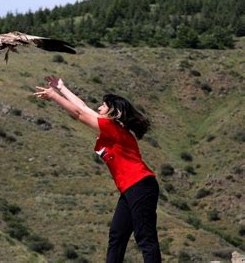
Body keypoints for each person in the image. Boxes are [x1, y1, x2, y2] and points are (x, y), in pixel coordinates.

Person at [34, 76, 161, 263]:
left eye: (103, 105)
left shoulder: (113, 128)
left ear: (113, 112)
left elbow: (78, 113)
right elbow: (83, 108)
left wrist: (54, 96)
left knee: (145, 236)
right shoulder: (111, 128)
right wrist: (62, 88)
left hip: (140, 185)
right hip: (130, 189)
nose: (99, 108)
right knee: (117, 236)